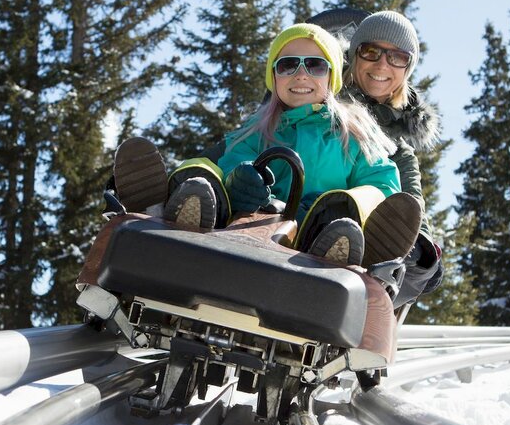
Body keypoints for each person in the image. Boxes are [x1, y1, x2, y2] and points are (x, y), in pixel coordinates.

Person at [113, 22, 421, 269]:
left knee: (362, 199)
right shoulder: (259, 129)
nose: (301, 74)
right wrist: (238, 180)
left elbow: (382, 181)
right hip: (248, 227)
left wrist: (336, 206)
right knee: (204, 169)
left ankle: (343, 243)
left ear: (331, 77)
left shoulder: (353, 133)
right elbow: (234, 158)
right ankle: (165, 208)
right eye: (288, 65)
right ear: (273, 77)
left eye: (314, 65)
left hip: (314, 237)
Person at [342, 10, 444, 303]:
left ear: (407, 69)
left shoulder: (397, 151)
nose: (382, 64)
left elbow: (412, 205)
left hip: (358, 255)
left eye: (397, 57)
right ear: (354, 55)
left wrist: (418, 246)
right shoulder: (318, 103)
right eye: (371, 51)